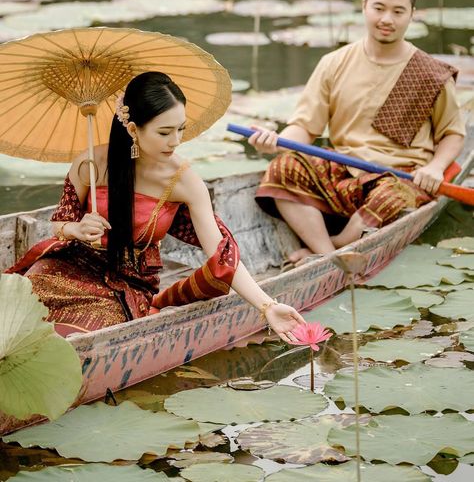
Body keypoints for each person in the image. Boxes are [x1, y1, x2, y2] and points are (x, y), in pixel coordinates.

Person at [7, 71, 304, 341]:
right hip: (74, 263)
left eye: (180, 129)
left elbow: (220, 252)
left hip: (128, 282)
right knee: (23, 298)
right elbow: (59, 224)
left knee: (87, 330)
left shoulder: (185, 182)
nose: (175, 141)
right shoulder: (91, 164)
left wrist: (268, 307)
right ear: (134, 129)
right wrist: (77, 228)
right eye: (164, 132)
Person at [249, 0, 466, 263]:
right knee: (283, 168)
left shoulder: (429, 73)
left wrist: (436, 168)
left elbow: (453, 133)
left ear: (412, 14)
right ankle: (329, 257)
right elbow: (304, 127)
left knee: (391, 197)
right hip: (344, 173)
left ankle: (336, 243)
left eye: (398, 11)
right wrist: (275, 141)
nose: (387, 19)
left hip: (400, 179)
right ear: (364, 7)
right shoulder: (333, 63)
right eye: (379, 8)